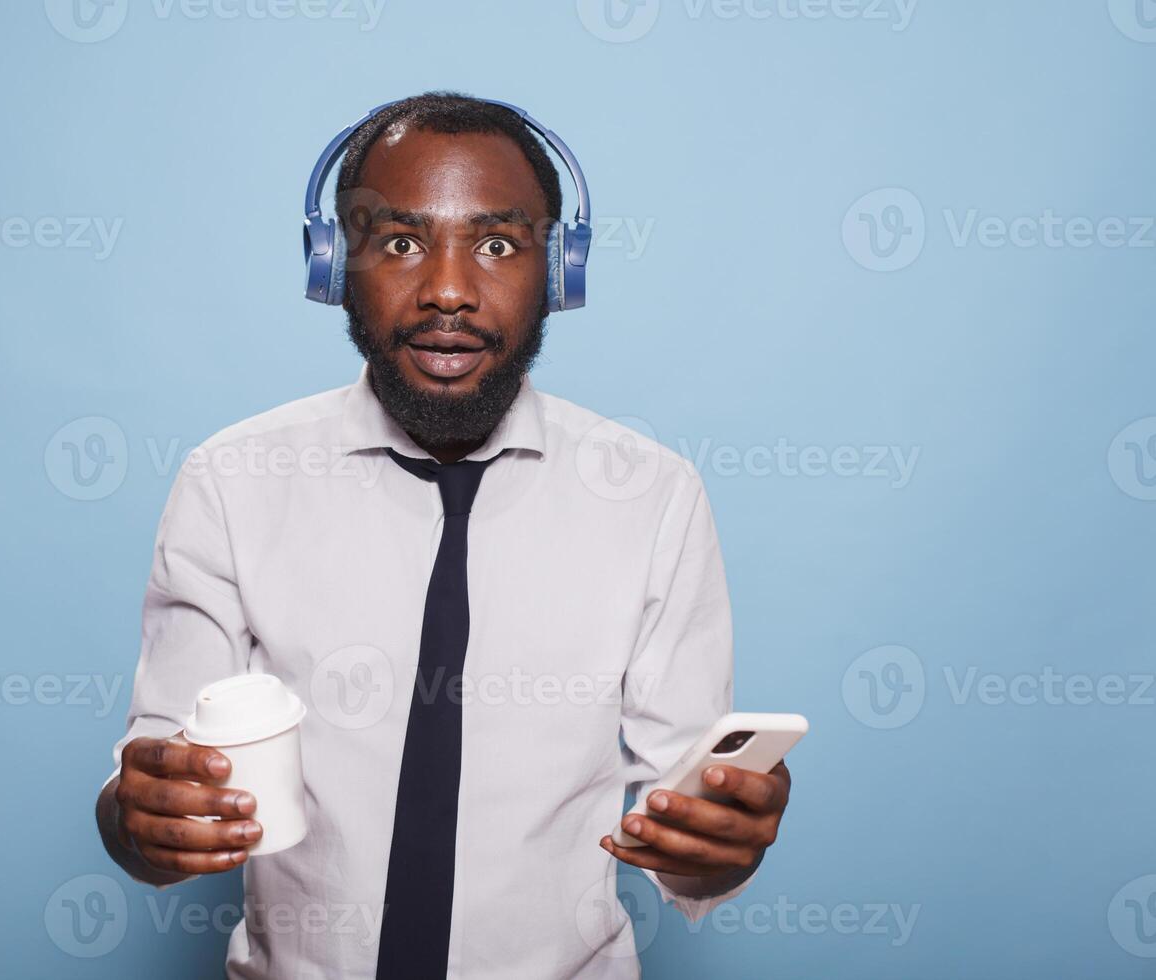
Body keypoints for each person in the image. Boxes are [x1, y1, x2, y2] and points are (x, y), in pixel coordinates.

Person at [94, 91, 792, 979]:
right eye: (399, 242)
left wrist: (725, 836)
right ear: (332, 264)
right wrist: (141, 818)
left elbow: (687, 824)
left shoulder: (652, 496)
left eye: (498, 244)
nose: (449, 290)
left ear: (562, 271)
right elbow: (153, 786)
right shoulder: (232, 482)